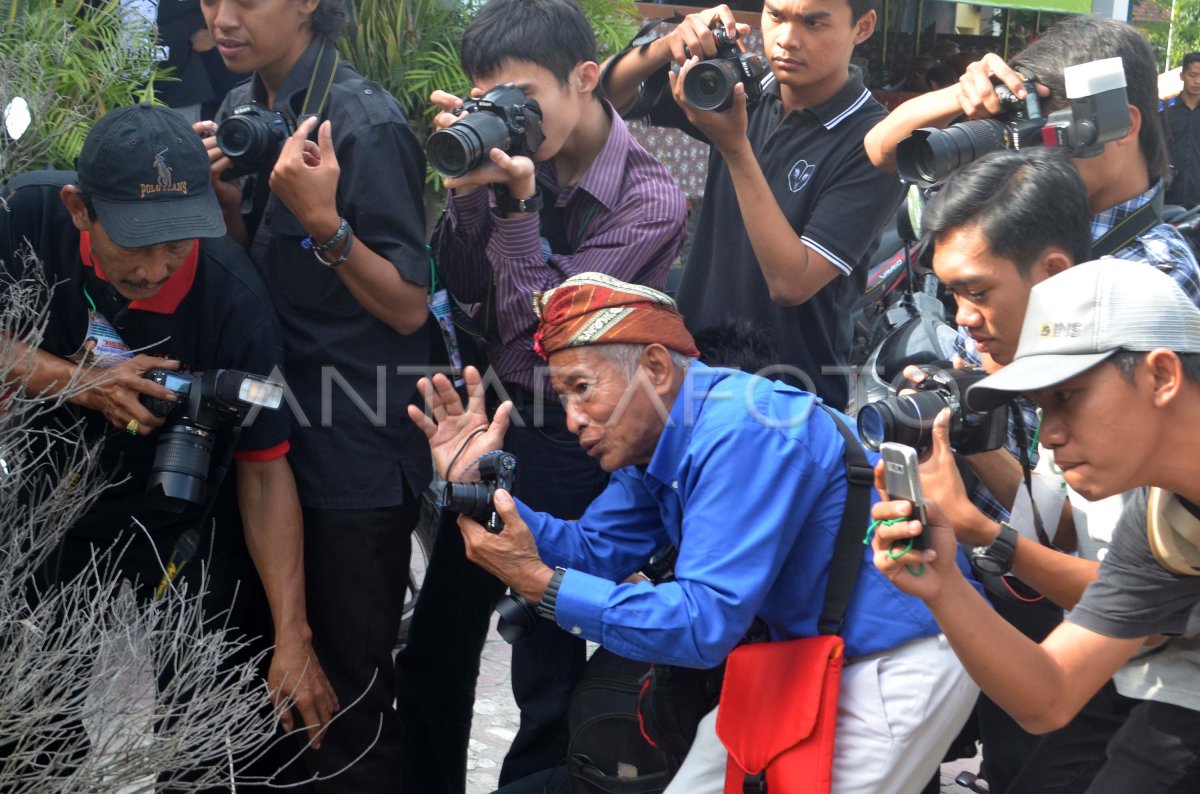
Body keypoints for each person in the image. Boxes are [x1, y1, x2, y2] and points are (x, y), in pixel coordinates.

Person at [409, 273, 978, 794]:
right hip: (798, 657)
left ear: (655, 368)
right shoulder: (656, 436)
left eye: (582, 388)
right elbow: (591, 552)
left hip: (898, 655)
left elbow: (704, 623)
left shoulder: (742, 426)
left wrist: (538, 584)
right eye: (563, 397)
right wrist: (479, 490)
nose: (573, 417)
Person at [397, 1, 688, 789]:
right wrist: (466, 191)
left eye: (523, 99)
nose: (508, 119)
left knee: (546, 661)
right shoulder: (498, 151)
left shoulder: (650, 200)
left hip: (572, 435)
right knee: (439, 644)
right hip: (489, 420)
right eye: (491, 101)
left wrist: (519, 209)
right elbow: (460, 290)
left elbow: (551, 337)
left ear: (586, 78)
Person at [0, 104, 336, 760]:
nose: (156, 267)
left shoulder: (236, 300)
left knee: (202, 730)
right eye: (137, 241)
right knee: (30, 721)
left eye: (177, 241)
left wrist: (293, 637)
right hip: (50, 504)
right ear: (79, 209)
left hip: (182, 517)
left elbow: (266, 470)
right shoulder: (24, 215)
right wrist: (77, 381)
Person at [199, 0, 432, 788]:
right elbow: (250, 274)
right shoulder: (241, 107)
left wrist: (326, 224)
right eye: (208, 1)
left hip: (351, 450)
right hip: (265, 439)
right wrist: (228, 206)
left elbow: (407, 304)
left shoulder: (363, 123)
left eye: (245, 2)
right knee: (265, 695)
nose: (222, 18)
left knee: (348, 704)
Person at [871, 258, 1200, 794]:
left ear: (1161, 375)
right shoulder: (1162, 522)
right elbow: (1050, 696)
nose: (1048, 436)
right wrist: (944, 586)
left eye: (1067, 397)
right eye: (1041, 407)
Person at [601, 1, 904, 410]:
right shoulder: (744, 89)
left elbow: (791, 283)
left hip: (789, 399)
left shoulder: (874, 142)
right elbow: (602, 96)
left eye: (813, 23)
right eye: (775, 16)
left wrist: (735, 147)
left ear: (863, 27)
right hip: (694, 374)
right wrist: (666, 44)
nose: (786, 39)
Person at [865, 16, 1197, 290]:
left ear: (1118, 125)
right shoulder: (1039, 205)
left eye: (1050, 135)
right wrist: (963, 93)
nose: (1028, 159)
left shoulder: (1159, 271)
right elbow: (883, 151)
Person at [1164, 52, 1200, 208]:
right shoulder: (1164, 111)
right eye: (1193, 75)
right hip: (1168, 194)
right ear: (1182, 75)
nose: (1198, 81)